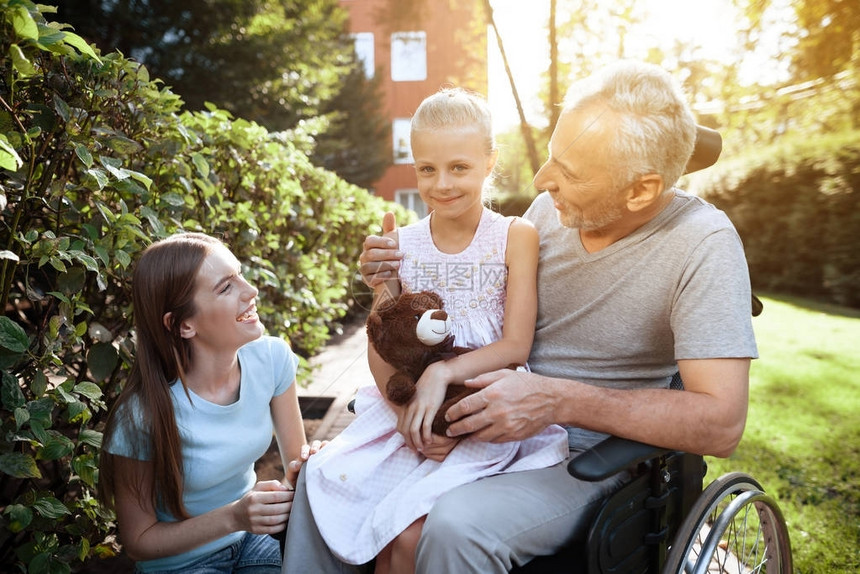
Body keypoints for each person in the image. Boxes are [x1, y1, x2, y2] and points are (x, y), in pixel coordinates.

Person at [286, 60, 758, 572]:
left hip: (583, 458)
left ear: (640, 190)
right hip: (474, 421)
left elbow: (722, 423)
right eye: (551, 157)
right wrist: (388, 284)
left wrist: (553, 400)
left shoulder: (703, 244)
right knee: (319, 480)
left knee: (455, 528)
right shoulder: (545, 214)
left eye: (567, 172)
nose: (540, 179)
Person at [286, 88, 568, 574]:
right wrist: (384, 288)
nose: (441, 184)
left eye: (459, 167)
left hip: (482, 411)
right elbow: (386, 349)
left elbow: (515, 346)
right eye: (426, 169)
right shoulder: (402, 244)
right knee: (324, 480)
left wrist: (444, 384)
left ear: (489, 161)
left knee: (410, 537)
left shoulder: (514, 236)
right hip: (407, 415)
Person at [99, 232, 322, 573]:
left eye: (240, 274)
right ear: (182, 324)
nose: (251, 291)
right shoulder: (140, 416)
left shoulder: (272, 359)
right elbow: (139, 541)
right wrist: (234, 516)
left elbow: (297, 468)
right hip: (182, 564)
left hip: (253, 540)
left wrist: (312, 466)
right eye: (226, 287)